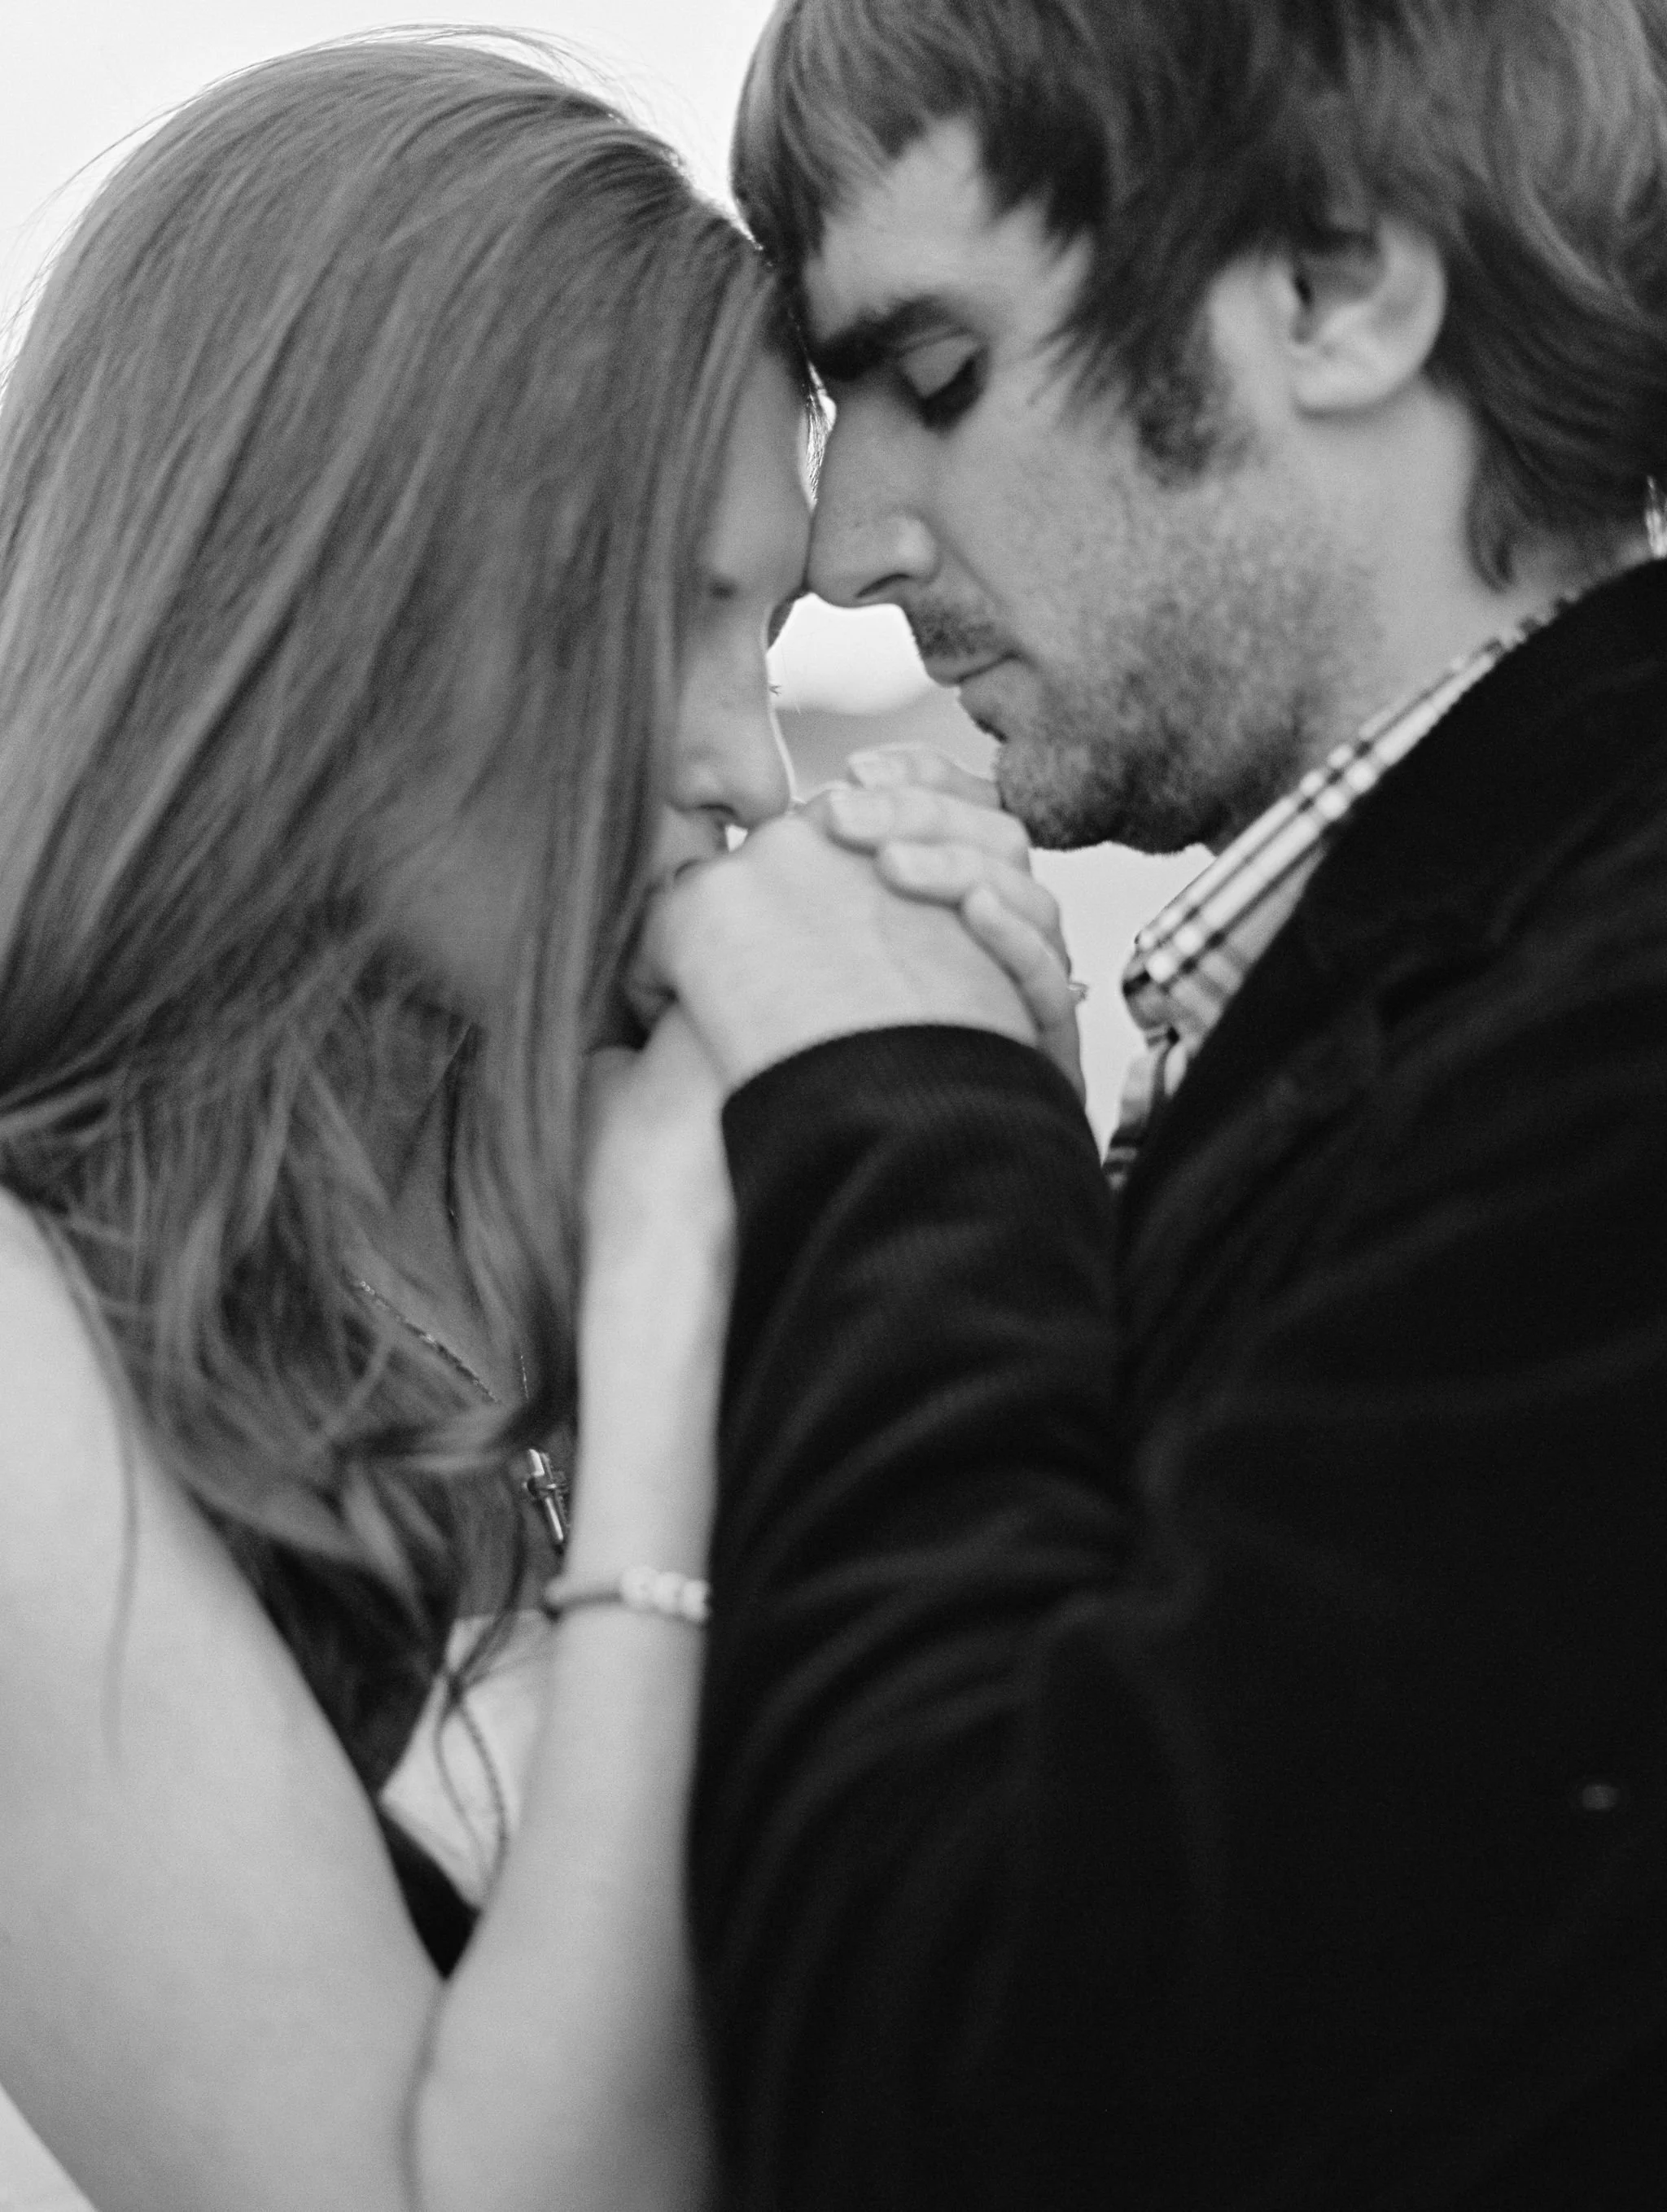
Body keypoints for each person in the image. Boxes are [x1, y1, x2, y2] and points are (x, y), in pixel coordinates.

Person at [637, 2, 1667, 2206]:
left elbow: (983, 2099)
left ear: (1336, 284)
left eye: (929, 374)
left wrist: (894, 1120)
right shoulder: (1417, 989)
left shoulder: (1616, 1039)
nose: (842, 546)